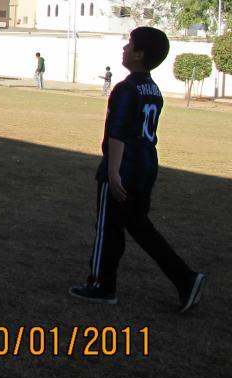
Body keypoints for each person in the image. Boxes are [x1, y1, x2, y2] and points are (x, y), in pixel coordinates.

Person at [70, 27, 205, 312]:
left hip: (125, 168)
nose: (125, 48)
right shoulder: (153, 89)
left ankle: (102, 285)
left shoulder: (126, 88)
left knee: (108, 228)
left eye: (130, 44)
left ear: (140, 54)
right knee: (139, 227)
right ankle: (185, 279)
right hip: (146, 167)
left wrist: (113, 172)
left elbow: (118, 133)